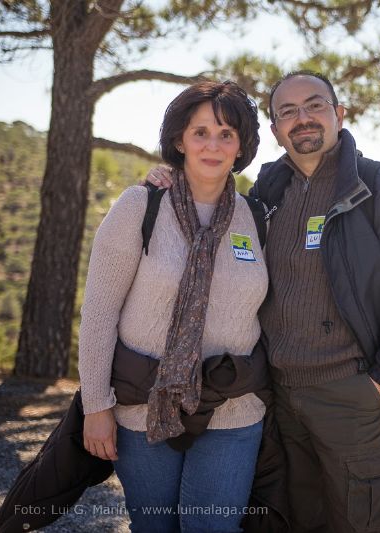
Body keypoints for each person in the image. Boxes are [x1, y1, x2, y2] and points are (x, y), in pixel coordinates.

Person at [147, 71, 380, 533]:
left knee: (360, 522)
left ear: (339, 114)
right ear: (274, 130)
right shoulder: (269, 190)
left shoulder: (379, 186)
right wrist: (173, 179)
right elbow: (218, 221)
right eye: (287, 112)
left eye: (314, 105)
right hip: (279, 395)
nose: (303, 119)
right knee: (295, 519)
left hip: (349, 393)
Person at [79, 80, 268, 533]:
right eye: (200, 131)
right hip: (143, 407)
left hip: (231, 409)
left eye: (226, 134)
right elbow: (99, 314)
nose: (213, 145)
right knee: (154, 528)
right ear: (179, 140)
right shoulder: (140, 206)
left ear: (241, 146)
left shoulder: (257, 217)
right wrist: (95, 407)